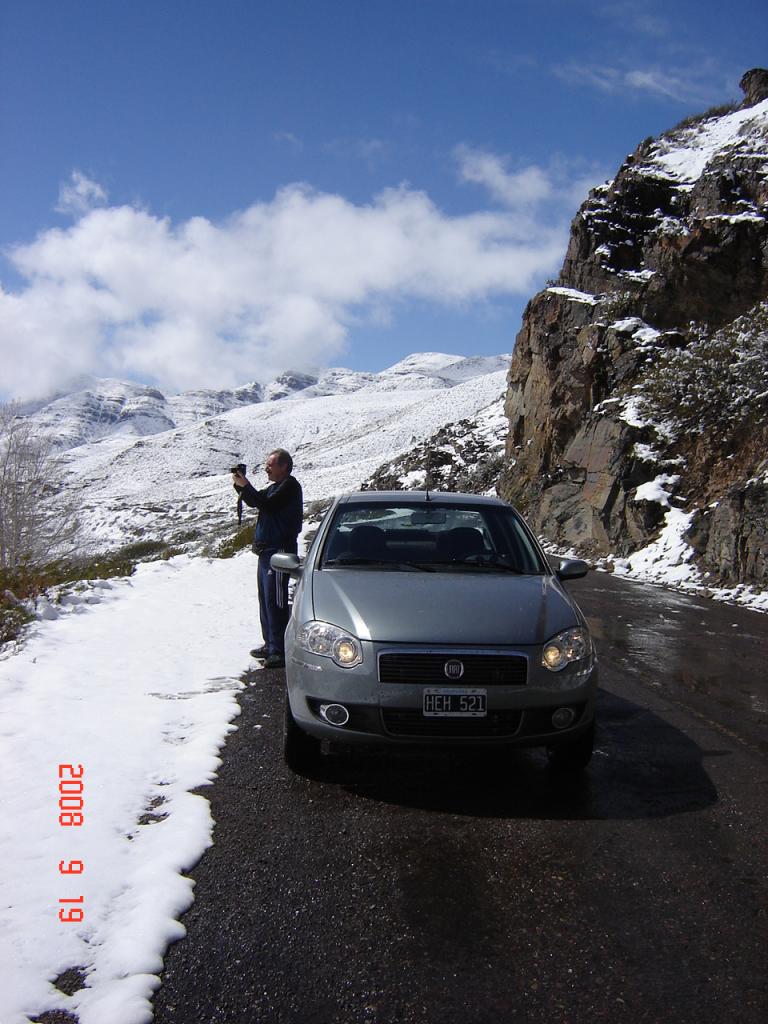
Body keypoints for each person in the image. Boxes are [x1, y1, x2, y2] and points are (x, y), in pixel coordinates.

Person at [232, 449, 303, 669]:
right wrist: (240, 485)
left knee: (276, 600)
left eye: (270, 465)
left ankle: (279, 650)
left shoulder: (289, 486)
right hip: (266, 551)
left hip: (279, 551)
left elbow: (268, 505)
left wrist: (246, 486)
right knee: (265, 599)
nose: (266, 469)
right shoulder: (274, 487)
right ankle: (270, 644)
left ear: (284, 466)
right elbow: (257, 501)